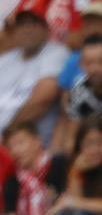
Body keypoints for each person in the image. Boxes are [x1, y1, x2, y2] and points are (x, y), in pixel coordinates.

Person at [0, 9, 68, 142]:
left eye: (33, 24)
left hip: (28, 141)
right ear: (15, 31)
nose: (27, 30)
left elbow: (41, 101)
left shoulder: (56, 53)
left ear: (46, 29)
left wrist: (6, 132)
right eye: (22, 25)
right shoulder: (6, 59)